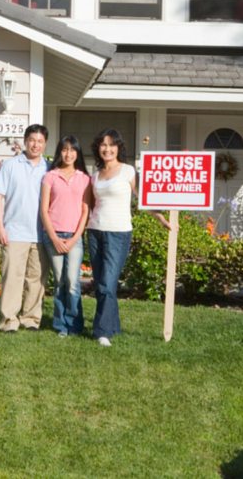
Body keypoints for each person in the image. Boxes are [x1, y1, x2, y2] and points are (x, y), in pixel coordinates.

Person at [87, 128, 175, 346]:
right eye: (103, 145)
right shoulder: (95, 174)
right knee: (100, 284)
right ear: (98, 148)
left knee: (108, 284)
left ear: (118, 148)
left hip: (118, 232)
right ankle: (114, 327)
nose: (107, 149)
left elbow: (144, 199)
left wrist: (162, 219)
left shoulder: (128, 172)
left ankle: (102, 332)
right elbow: (90, 204)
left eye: (111, 145)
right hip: (95, 230)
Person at [0, 124, 50, 333]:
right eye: (32, 139)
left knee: (37, 279)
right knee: (12, 278)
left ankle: (31, 319)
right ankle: (9, 321)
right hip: (14, 231)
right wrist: (0, 226)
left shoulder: (49, 169)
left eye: (40, 141)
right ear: (25, 141)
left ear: (45, 144)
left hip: (42, 234)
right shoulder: (9, 166)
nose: (36, 144)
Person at [39, 135, 92, 337]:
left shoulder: (84, 178)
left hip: (74, 236)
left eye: (72, 149)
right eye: (64, 149)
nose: (68, 153)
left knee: (72, 281)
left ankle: (75, 325)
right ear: (59, 152)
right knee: (60, 280)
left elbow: (85, 211)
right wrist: (53, 237)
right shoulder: (50, 176)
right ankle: (61, 326)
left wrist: (74, 238)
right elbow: (44, 210)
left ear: (77, 153)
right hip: (52, 235)